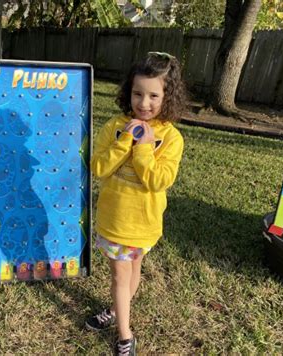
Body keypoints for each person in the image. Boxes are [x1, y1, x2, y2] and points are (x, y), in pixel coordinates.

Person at [85, 52, 187, 356]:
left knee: (134, 270)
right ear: (128, 92)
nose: (144, 103)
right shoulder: (116, 126)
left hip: (144, 223)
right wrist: (123, 142)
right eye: (137, 93)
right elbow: (98, 167)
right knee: (120, 275)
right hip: (115, 221)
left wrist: (143, 149)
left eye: (154, 95)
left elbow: (159, 181)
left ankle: (118, 311)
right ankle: (125, 334)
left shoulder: (171, 137)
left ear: (167, 97)